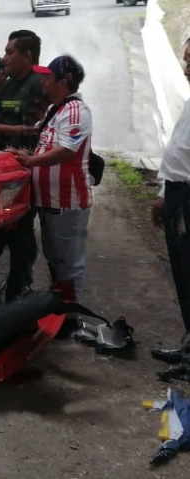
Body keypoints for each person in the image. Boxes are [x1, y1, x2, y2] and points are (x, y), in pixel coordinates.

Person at [7, 55, 93, 307]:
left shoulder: (76, 111)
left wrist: (31, 162)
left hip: (68, 201)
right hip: (50, 201)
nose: (43, 80)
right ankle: (60, 306)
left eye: (48, 76)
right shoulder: (56, 110)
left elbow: (67, 150)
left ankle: (69, 313)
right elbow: (41, 141)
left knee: (68, 261)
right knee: (56, 258)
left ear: (63, 81)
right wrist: (28, 155)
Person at [0, 29, 48, 302]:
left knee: (19, 228)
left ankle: (20, 286)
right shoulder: (6, 86)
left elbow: (37, 129)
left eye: (10, 52)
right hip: (2, 171)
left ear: (27, 55)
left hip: (27, 171)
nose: (4, 58)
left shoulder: (40, 84)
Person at [150, 37, 190, 378]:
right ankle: (189, 346)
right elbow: (180, 151)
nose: (187, 65)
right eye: (186, 58)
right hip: (178, 193)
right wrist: (164, 192)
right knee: (181, 271)